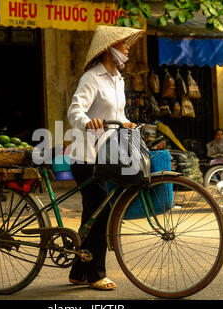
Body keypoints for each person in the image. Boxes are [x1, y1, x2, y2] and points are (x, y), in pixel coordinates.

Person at [66, 25, 144, 290]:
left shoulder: (118, 79)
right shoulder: (92, 77)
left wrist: (127, 123)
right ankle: (96, 274)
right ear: (109, 49)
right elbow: (75, 110)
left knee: (93, 213)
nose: (127, 49)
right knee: (102, 210)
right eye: (123, 45)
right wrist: (87, 122)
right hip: (85, 156)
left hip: (106, 153)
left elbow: (118, 115)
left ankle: (78, 270)